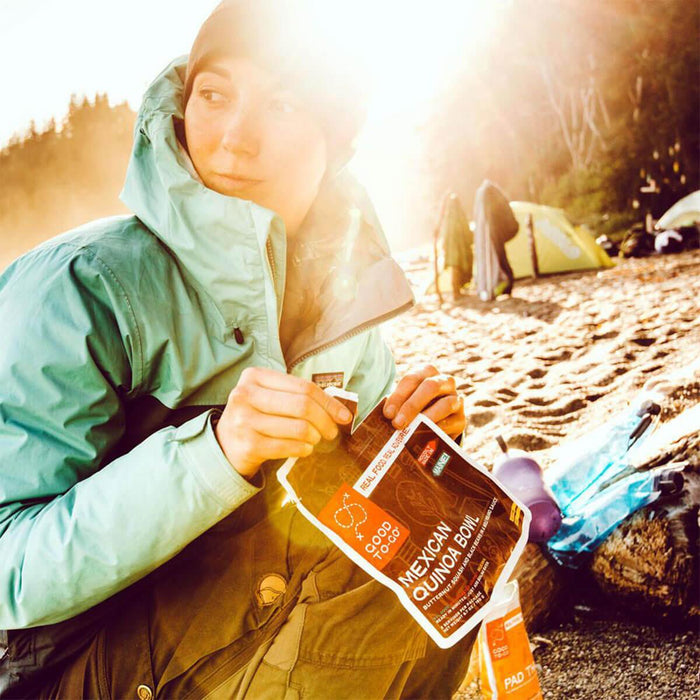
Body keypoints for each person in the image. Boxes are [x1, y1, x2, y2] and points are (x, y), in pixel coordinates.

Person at [0, 2, 471, 697]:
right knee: (360, 584)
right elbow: (10, 573)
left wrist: (409, 448)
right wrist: (215, 452)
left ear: (335, 138)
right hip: (69, 660)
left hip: (231, 621)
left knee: (435, 544)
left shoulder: (345, 290)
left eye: (281, 103)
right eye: (213, 95)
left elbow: (358, 496)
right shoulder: (81, 288)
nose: (231, 140)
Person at [473, 179, 519, 301]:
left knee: (500, 259)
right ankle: (506, 286)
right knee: (501, 259)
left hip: (495, 234)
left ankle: (505, 286)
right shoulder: (493, 196)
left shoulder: (489, 197)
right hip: (495, 234)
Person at [438, 191, 473, 300]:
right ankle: (456, 293)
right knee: (457, 269)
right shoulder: (457, 216)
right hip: (458, 248)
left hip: (452, 248)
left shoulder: (448, 217)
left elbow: (445, 234)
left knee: (455, 269)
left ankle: (457, 292)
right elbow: (464, 230)